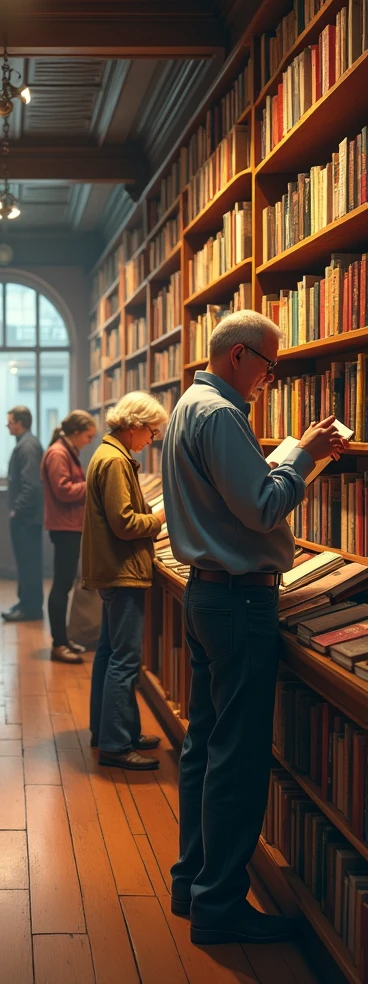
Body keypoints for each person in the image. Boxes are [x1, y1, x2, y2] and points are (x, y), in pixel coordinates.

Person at [161, 310, 346, 946]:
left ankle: (192, 881)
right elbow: (264, 505)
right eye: (269, 365)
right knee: (235, 759)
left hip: (210, 594)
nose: (270, 378)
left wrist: (293, 454)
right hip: (238, 602)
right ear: (239, 356)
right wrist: (303, 454)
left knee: (204, 745)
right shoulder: (219, 414)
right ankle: (219, 906)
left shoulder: (190, 404)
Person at [82, 392, 167, 766]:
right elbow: (125, 522)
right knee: (125, 659)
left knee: (109, 652)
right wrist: (160, 520)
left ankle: (110, 730)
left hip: (112, 568)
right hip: (123, 570)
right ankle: (117, 745)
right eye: (151, 431)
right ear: (133, 424)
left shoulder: (109, 454)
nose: (152, 438)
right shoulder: (116, 461)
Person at [41, 410, 97, 664]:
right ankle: (58, 644)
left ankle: (62, 639)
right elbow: (63, 491)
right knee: (62, 585)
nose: (89, 441)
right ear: (75, 432)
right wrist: (94, 483)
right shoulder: (58, 453)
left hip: (70, 525)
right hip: (65, 527)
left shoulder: (66, 450)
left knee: (65, 584)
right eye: (88, 436)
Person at [3, 406, 44, 622]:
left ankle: (30, 608)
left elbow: (31, 485)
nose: (7, 425)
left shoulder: (27, 446)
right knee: (27, 562)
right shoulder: (26, 443)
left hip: (26, 519)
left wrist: (16, 510)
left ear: (19, 423)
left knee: (29, 563)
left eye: (10, 421)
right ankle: (26, 603)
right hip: (27, 517)